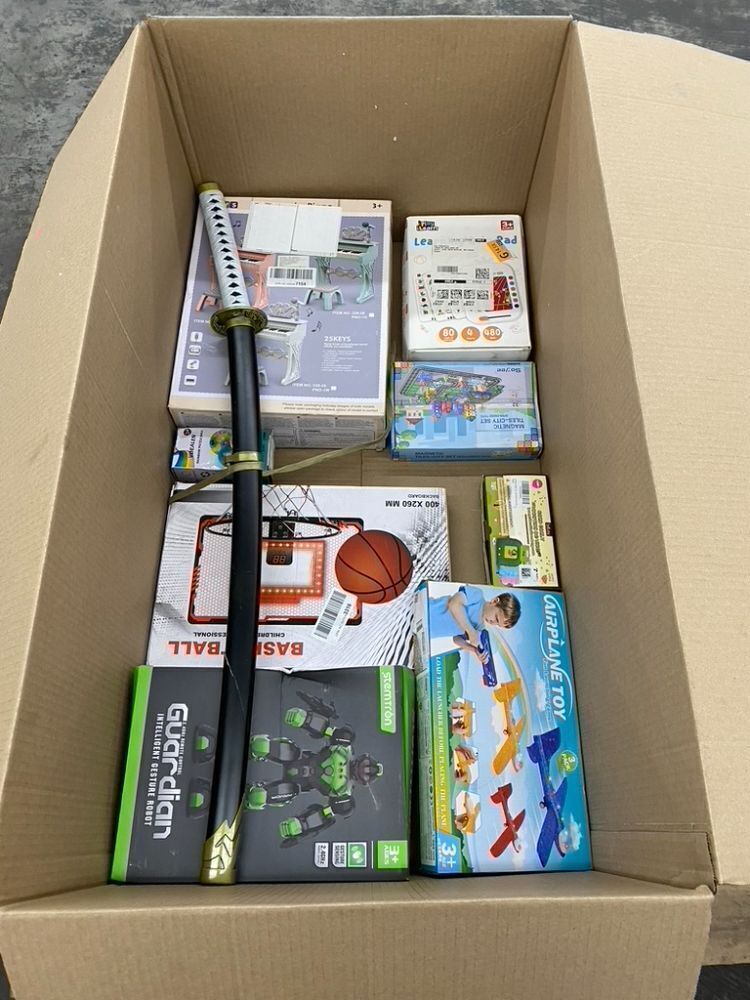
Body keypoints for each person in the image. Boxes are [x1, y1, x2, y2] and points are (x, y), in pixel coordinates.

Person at [428, 584, 520, 664]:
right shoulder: (478, 596)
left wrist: (474, 649)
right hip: (427, 609)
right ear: (494, 601)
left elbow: (457, 639)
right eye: (496, 617)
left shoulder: (479, 628)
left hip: (428, 632)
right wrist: (471, 632)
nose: (493, 622)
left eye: (497, 624)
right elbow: (454, 604)